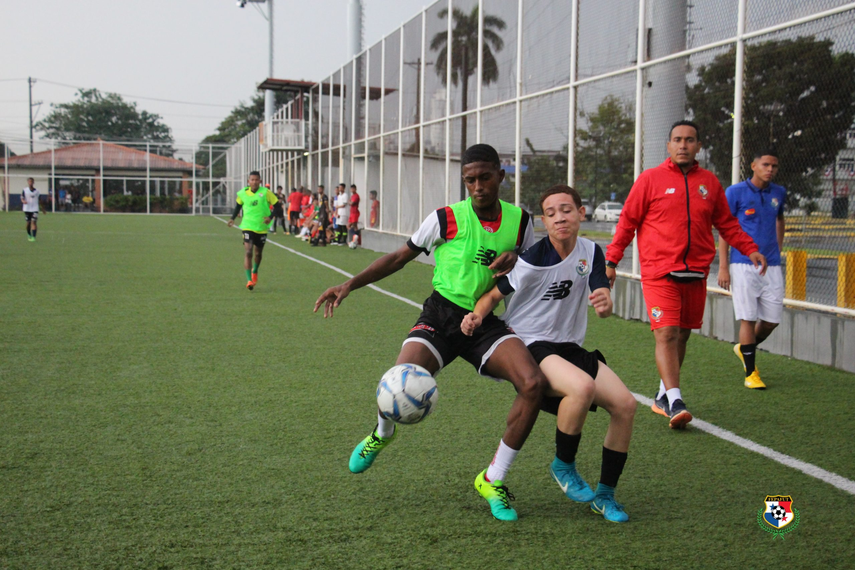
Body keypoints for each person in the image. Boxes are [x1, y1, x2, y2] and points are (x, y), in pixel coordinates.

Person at [314, 144, 546, 522]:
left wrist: (517, 260)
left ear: (501, 176)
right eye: (469, 179)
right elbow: (398, 258)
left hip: (483, 320)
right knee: (398, 379)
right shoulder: (445, 218)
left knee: (533, 383)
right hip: (441, 314)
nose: (477, 186)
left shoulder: (521, 223)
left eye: (484, 177)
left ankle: (493, 478)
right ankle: (382, 433)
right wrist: (349, 285)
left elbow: (531, 271)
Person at [462, 185, 637, 523]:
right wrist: (477, 315)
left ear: (581, 214)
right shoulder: (532, 259)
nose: (560, 218)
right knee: (581, 387)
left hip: (569, 346)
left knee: (626, 406)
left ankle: (605, 496)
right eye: (552, 213)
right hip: (530, 343)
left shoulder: (591, 251)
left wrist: (605, 301)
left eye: (567, 210)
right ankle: (564, 465)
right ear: (543, 221)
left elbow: (600, 289)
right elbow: (493, 295)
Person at [605, 120, 767, 429]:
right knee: (666, 332)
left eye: (690, 140)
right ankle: (676, 400)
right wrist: (611, 260)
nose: (683, 145)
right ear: (668, 146)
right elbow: (627, 222)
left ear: (698, 147)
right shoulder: (650, 180)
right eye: (677, 139)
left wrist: (750, 248)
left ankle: (663, 394)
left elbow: (727, 224)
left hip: (695, 273)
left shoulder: (710, 183)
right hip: (659, 272)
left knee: (682, 334)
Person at [717, 149, 786, 390]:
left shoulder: (779, 193)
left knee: (771, 321)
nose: (770, 169)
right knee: (748, 317)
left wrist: (778, 249)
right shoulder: (735, 192)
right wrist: (723, 266)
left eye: (774, 166)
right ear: (754, 166)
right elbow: (725, 229)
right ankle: (750, 373)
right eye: (766, 164)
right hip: (742, 264)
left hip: (772, 266)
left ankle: (744, 348)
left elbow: (779, 219)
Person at [227, 171, 278, 291]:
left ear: (260, 181)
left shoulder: (266, 193)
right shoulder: (243, 193)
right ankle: (249, 280)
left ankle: (255, 270)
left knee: (258, 253)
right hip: (247, 226)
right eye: (252, 179)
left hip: (261, 228)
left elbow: (278, 206)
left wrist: (270, 217)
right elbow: (238, 206)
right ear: (248, 181)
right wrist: (232, 218)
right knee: (248, 251)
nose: (254, 182)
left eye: (256, 180)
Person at [22, 178, 44, 242]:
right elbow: (22, 197)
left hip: (35, 209)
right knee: (28, 223)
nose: (30, 182)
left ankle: (34, 237)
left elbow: (40, 200)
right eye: (29, 181)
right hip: (27, 209)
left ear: (33, 182)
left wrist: (42, 208)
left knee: (34, 222)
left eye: (31, 181)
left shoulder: (37, 191)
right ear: (28, 182)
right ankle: (29, 234)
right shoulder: (25, 190)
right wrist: (23, 201)